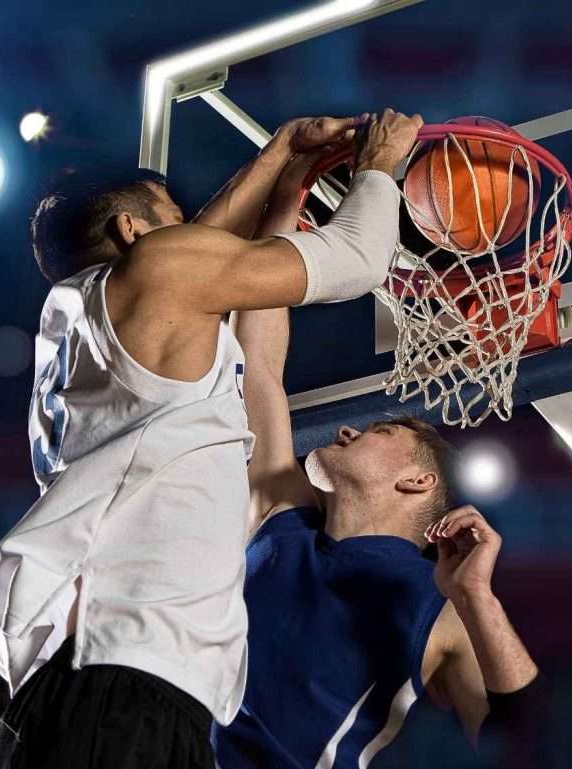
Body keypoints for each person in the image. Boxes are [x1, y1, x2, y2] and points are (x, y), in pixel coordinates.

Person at [0, 109, 423, 769]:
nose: (197, 237)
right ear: (133, 232)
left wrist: (281, 166)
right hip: (127, 687)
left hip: (77, 686)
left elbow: (207, 258)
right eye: (174, 217)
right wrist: (380, 165)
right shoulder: (158, 274)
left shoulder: (77, 324)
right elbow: (356, 259)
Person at [213, 146, 538, 768]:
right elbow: (257, 368)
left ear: (418, 480)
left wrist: (479, 600)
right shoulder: (280, 516)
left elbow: (520, 739)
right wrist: (286, 197)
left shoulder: (440, 606)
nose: (341, 433)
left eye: (380, 430)